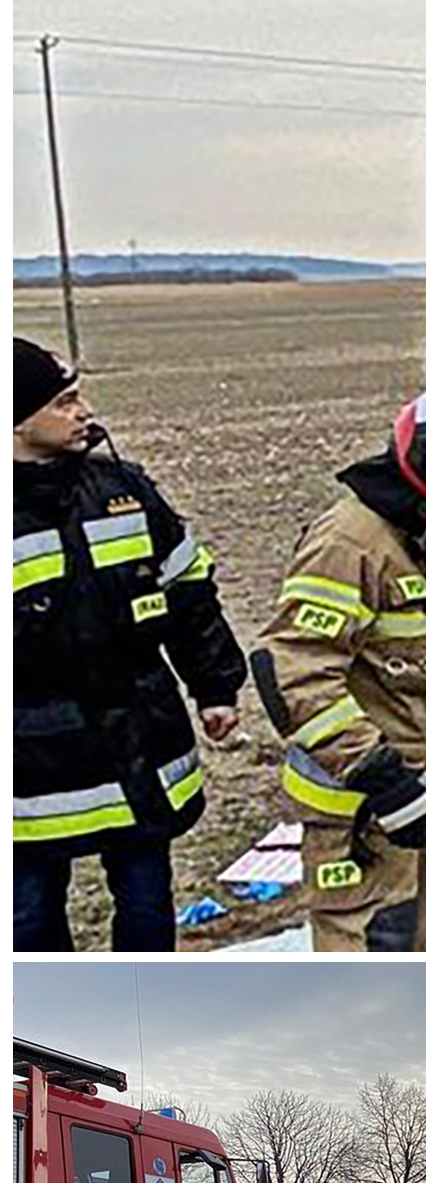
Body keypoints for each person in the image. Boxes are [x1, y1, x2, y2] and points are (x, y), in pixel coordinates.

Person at [256, 384, 426, 951]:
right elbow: (293, 667)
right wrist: (381, 780)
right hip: (361, 810)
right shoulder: (350, 544)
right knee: (377, 947)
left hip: (425, 792)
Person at [14, 337, 246, 950]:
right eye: (65, 402)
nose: (84, 411)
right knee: (30, 921)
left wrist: (216, 685)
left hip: (135, 746)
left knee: (146, 905)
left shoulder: (123, 490)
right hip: (31, 774)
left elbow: (188, 590)